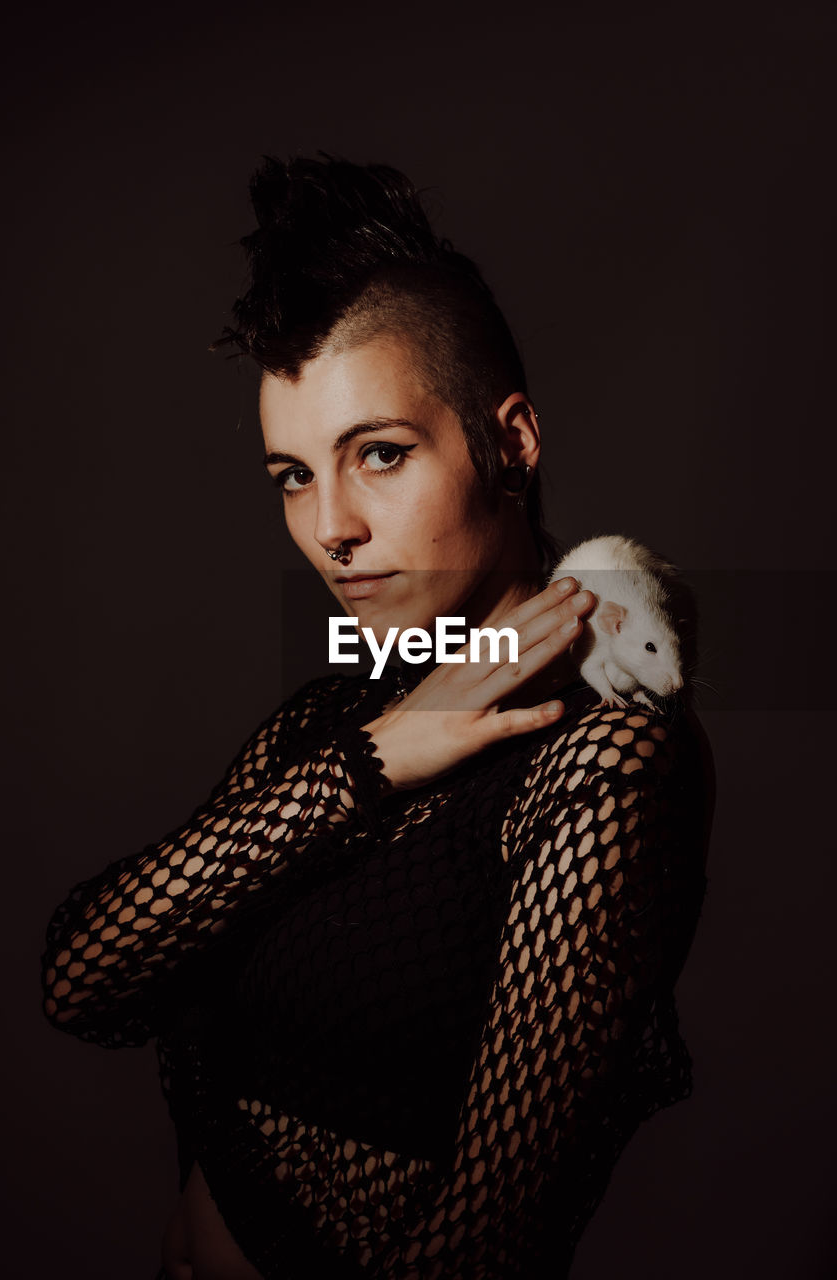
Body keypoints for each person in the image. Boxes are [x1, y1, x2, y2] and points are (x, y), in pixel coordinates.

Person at [40, 153, 712, 1280]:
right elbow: (83, 975)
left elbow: (489, 1232)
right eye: (291, 476)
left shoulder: (600, 757)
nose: (332, 527)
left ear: (511, 440)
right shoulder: (338, 719)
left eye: (379, 455)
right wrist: (370, 761)